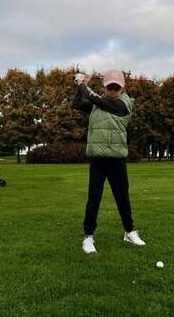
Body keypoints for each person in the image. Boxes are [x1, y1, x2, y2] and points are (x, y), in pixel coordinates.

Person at [72, 70, 146, 254]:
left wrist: (83, 84)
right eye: (110, 87)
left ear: (123, 88)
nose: (113, 90)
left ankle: (129, 232)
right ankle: (88, 237)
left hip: (117, 160)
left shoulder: (124, 104)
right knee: (93, 199)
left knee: (122, 198)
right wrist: (79, 86)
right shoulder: (96, 104)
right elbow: (76, 103)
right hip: (97, 160)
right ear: (104, 86)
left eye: (116, 87)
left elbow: (98, 99)